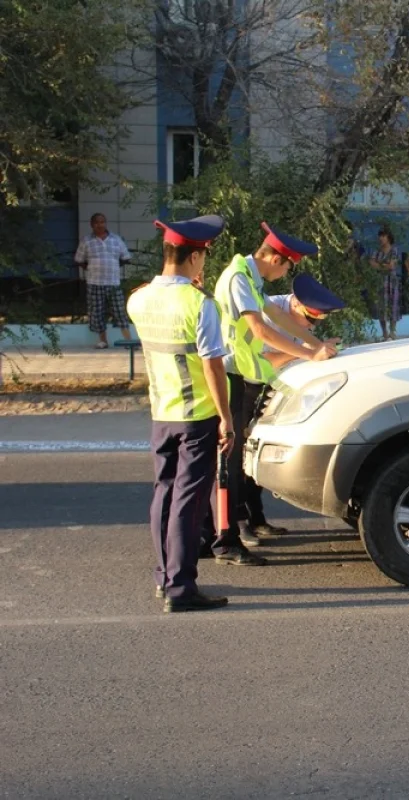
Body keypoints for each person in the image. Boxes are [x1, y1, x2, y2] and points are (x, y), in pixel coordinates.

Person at [210, 222, 338, 563]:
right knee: (230, 462)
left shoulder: (250, 277)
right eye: (287, 267)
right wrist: (310, 353)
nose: (284, 275)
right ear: (276, 258)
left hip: (243, 375)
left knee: (237, 460)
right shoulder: (239, 277)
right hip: (232, 376)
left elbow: (278, 315)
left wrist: (316, 343)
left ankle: (233, 533)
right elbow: (260, 329)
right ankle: (228, 540)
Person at [126, 214, 234, 612]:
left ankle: (164, 575)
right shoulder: (200, 304)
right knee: (188, 502)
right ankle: (181, 588)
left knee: (164, 494)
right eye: (204, 255)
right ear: (196, 256)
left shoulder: (138, 298)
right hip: (197, 417)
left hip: (161, 413)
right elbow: (212, 365)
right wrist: (227, 417)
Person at [75, 212, 134, 349]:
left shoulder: (116, 239)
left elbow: (125, 258)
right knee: (97, 313)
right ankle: (103, 341)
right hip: (94, 282)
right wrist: (90, 268)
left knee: (119, 311)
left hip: (113, 282)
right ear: (91, 225)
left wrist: (112, 266)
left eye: (102, 222)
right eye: (96, 222)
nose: (100, 225)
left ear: (106, 223)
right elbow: (79, 260)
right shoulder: (86, 241)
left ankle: (128, 341)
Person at [370, 228, 403, 340]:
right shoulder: (377, 251)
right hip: (380, 281)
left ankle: (393, 331)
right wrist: (383, 266)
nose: (381, 238)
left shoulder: (394, 250)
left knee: (393, 304)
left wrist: (380, 265)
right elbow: (372, 263)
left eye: (383, 236)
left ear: (388, 237)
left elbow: (392, 265)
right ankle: (384, 332)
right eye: (380, 236)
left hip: (392, 281)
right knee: (381, 306)